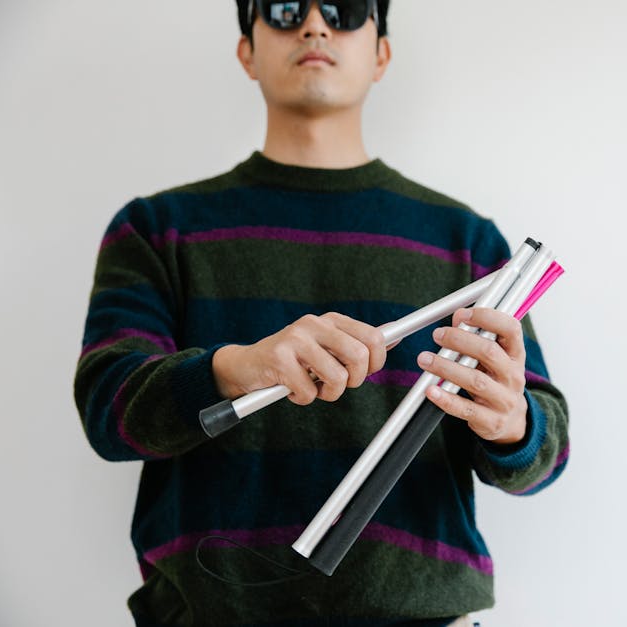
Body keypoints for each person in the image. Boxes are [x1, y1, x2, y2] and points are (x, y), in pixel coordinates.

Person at [73, 1, 569, 625]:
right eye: (283, 9)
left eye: (345, 9)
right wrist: (236, 368)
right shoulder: (155, 229)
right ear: (246, 49)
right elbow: (106, 409)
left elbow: (547, 447)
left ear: (381, 52)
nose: (314, 25)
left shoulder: (468, 243)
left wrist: (512, 422)